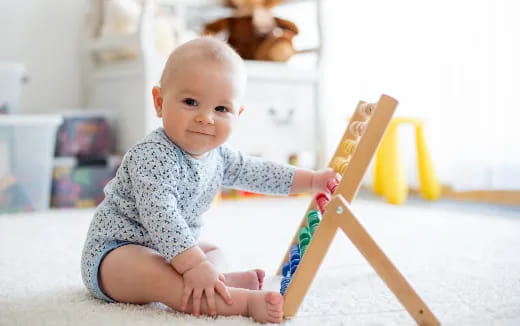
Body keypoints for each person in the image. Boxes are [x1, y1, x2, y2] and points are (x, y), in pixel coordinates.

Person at [80, 37, 338, 324]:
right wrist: (193, 265)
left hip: (169, 251)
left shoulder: (219, 155)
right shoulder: (152, 155)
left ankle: (218, 281)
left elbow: (261, 173)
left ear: (237, 114)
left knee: (212, 250)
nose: (205, 118)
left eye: (221, 109)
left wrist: (313, 180)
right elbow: (160, 217)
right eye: (191, 102)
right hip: (114, 254)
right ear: (160, 102)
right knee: (163, 277)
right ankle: (244, 302)